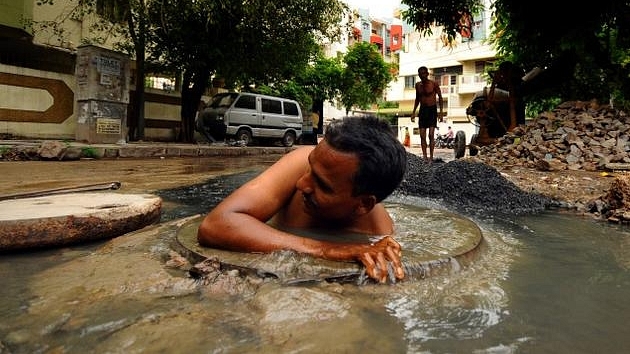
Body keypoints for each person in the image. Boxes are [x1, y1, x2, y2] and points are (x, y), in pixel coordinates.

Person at [197, 116, 408, 283]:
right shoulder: (298, 162)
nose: (301, 185)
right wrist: (324, 249)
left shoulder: (377, 233)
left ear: (363, 204)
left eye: (322, 185)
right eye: (310, 168)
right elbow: (215, 224)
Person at [410, 66, 444, 162]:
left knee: (431, 134)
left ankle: (431, 157)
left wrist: (441, 113)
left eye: (424, 73)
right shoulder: (418, 85)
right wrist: (413, 112)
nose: (423, 75)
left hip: (432, 110)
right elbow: (417, 99)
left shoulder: (434, 84)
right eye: (421, 74)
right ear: (419, 75)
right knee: (422, 135)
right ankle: (425, 156)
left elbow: (440, 98)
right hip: (423, 110)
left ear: (427, 74)